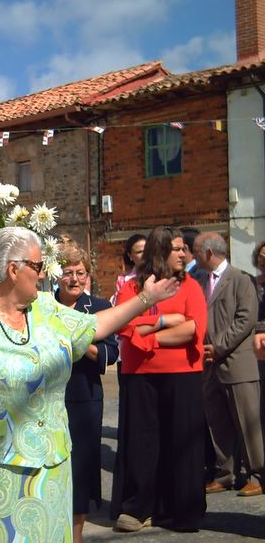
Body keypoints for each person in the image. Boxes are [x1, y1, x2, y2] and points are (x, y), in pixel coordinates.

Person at [0, 226, 178, 542]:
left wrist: (147, 298)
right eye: (37, 266)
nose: (42, 274)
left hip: (48, 465)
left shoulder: (46, 309)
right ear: (13, 270)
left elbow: (95, 326)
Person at [110, 226, 207, 533]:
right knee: (142, 443)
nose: (184, 254)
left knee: (182, 442)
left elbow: (193, 329)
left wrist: (148, 335)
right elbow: (125, 325)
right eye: (177, 248)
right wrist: (164, 320)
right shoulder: (133, 287)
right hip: (140, 374)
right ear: (160, 251)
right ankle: (139, 508)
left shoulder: (191, 286)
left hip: (183, 373)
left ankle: (181, 510)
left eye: (184, 249)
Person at [54, 242, 119, 543]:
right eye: (68, 272)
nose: (75, 279)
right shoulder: (42, 305)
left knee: (79, 467)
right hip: (47, 396)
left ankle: (76, 534)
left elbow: (111, 353)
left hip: (84, 397)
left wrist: (78, 341)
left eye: (81, 273)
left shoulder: (100, 308)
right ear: (56, 276)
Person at [195, 232, 262, 496]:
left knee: (247, 423)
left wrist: (219, 346)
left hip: (237, 363)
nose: (192, 256)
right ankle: (225, 473)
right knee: (218, 422)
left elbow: (246, 319)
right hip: (209, 365)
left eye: (196, 251)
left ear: (208, 253)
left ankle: (258, 474)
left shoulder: (241, 279)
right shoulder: (200, 280)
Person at [111, 234, 146, 305]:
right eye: (139, 252)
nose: (145, 254)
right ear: (130, 255)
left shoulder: (161, 274)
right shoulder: (123, 280)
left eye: (147, 250)